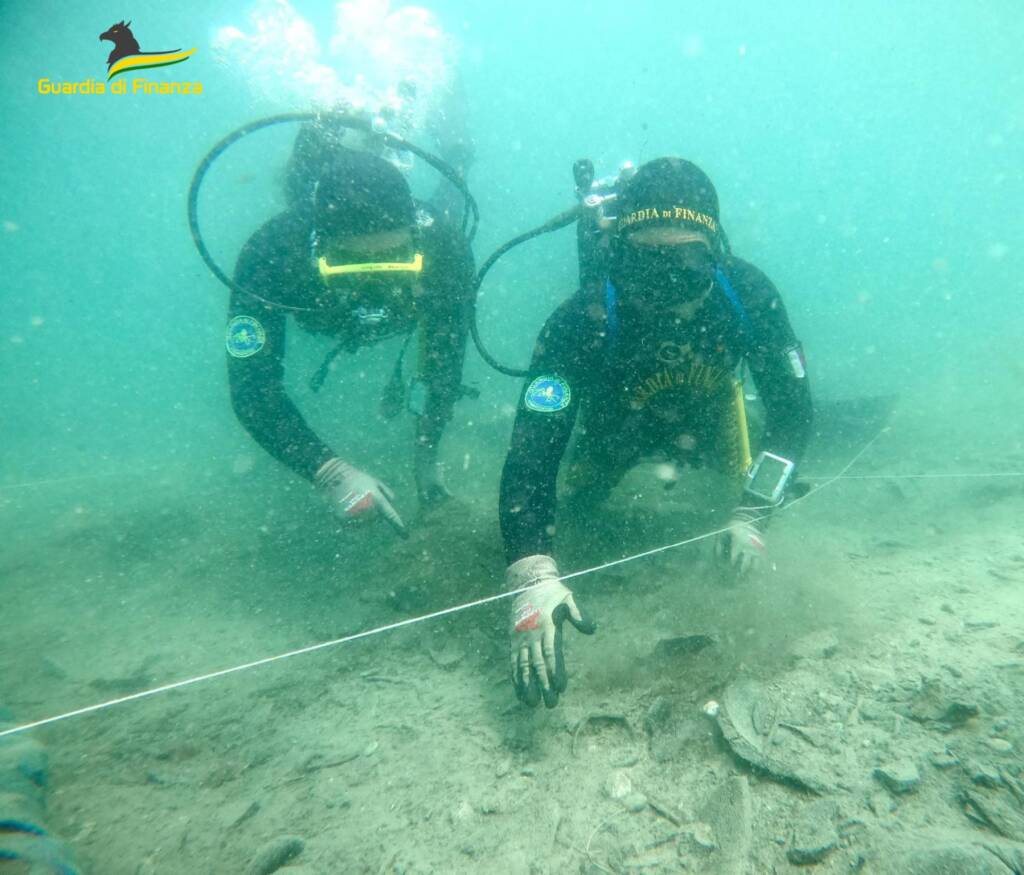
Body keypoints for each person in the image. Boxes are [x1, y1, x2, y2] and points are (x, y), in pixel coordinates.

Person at [497, 158, 814, 707]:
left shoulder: (749, 294)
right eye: (647, 270)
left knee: (737, 505)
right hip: (614, 431)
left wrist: (755, 511)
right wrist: (531, 572)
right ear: (618, 255)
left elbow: (793, 413)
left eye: (686, 268)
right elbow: (531, 452)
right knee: (579, 509)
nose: (666, 294)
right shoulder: (579, 320)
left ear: (715, 255)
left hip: (714, 422)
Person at [226, 118, 475, 537]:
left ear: (412, 234)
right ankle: (323, 128)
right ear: (318, 246)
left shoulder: (443, 246)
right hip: (318, 280)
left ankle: (458, 157)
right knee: (305, 170)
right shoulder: (271, 256)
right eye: (351, 265)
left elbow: (445, 361)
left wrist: (427, 455)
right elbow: (252, 389)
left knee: (450, 201)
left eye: (393, 258)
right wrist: (329, 472)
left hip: (424, 258)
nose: (375, 284)